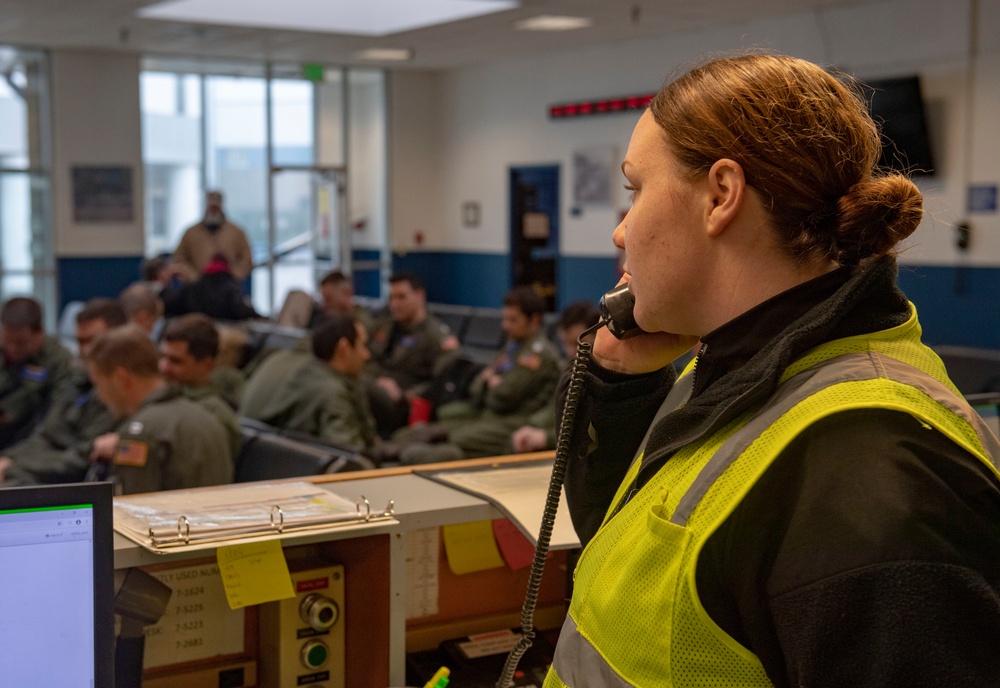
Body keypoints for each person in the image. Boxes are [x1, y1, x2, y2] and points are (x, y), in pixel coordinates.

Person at [545, 54, 1000, 688]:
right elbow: (640, 573)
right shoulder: (739, 376)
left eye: (636, 189)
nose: (622, 231)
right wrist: (617, 378)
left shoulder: (868, 468)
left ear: (720, 196)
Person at [395, 287, 563, 464]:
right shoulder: (513, 347)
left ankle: (410, 458)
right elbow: (476, 386)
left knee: (452, 439)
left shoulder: (538, 354)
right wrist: (490, 382)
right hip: (487, 414)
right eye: (505, 318)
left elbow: (504, 396)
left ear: (534, 320)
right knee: (426, 428)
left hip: (513, 421)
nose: (505, 326)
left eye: (513, 320)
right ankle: (395, 450)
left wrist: (491, 383)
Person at [87, 325, 232, 495]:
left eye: (99, 385)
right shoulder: (206, 415)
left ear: (121, 379)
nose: (100, 397)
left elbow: (132, 511)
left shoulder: (140, 433)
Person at [0, 299, 126, 485]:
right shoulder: (79, 379)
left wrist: (15, 466)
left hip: (69, 476)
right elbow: (48, 433)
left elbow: (82, 456)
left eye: (93, 340)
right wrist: (9, 458)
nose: (85, 350)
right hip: (45, 461)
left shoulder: (122, 389)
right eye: (80, 341)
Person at [239, 314, 377, 450]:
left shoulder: (304, 373)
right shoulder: (332, 393)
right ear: (344, 348)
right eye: (362, 346)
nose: (366, 355)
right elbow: (351, 457)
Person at [366, 272, 458, 436]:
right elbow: (367, 358)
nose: (395, 304)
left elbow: (445, 380)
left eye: (401, 297)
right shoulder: (386, 326)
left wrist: (405, 394)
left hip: (405, 404)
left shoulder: (435, 335)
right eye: (392, 298)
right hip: (379, 390)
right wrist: (379, 380)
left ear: (420, 296)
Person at [510, 301, 599, 453]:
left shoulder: (607, 374)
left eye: (579, 344)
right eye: (566, 343)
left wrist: (547, 437)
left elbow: (594, 428)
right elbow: (557, 405)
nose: (571, 352)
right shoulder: (569, 366)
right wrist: (533, 424)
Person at [157, 314, 242, 460]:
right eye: (163, 357)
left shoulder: (217, 417)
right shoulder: (161, 394)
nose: (164, 367)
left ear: (206, 364)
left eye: (176, 361)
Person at [0, 297, 73, 449]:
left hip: (28, 440)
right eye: (8, 340)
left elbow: (57, 416)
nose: (12, 348)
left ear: (40, 331)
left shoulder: (58, 360)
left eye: (21, 342)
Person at [172, 190, 253, 283]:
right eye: (211, 207)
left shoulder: (236, 232)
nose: (213, 210)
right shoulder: (191, 233)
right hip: (197, 288)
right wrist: (193, 276)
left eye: (216, 207)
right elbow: (179, 258)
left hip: (228, 287)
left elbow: (246, 258)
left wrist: (234, 274)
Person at [162, 253, 259, 321]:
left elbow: (170, 306)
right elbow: (241, 310)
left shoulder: (191, 288)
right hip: (226, 335)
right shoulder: (231, 288)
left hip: (196, 334)